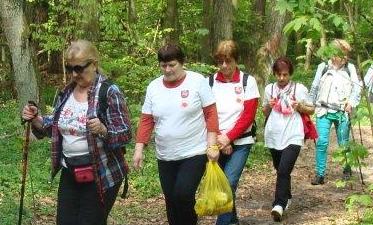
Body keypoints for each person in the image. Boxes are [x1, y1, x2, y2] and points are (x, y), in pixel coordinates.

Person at [21, 39, 131, 225]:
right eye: (70, 68)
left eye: (79, 68)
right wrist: (36, 118)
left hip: (101, 172)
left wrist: (104, 130)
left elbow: (125, 133)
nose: (74, 74)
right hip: (70, 172)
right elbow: (54, 126)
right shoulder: (67, 92)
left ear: (94, 64)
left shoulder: (109, 91)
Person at [133, 43, 219, 225]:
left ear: (182, 62)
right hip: (165, 155)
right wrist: (139, 149)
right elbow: (147, 120)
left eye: (172, 65)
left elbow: (210, 113)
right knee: (171, 200)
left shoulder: (197, 81)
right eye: (163, 66)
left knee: (183, 194)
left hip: (194, 152)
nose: (167, 70)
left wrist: (212, 145)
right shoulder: (154, 87)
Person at [208, 40, 260, 225]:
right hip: (216, 139)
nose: (224, 66)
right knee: (223, 185)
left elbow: (248, 115)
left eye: (228, 61)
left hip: (241, 142)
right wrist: (220, 139)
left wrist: (229, 138)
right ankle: (232, 219)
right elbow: (207, 112)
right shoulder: (210, 82)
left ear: (236, 60)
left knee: (228, 183)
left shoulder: (248, 81)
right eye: (220, 61)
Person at [263, 57, 313, 222]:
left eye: (285, 74)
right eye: (278, 74)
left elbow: (311, 109)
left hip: (293, 134)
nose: (281, 78)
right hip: (274, 134)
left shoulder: (299, 89)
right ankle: (287, 196)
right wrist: (268, 106)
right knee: (280, 169)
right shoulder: (269, 88)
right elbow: (265, 112)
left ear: (290, 74)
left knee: (284, 170)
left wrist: (300, 106)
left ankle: (279, 205)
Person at [309, 39, 361, 185]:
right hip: (323, 110)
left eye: (341, 52)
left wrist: (351, 103)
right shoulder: (323, 67)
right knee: (322, 142)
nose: (336, 55)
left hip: (342, 111)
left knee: (343, 143)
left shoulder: (350, 69)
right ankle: (319, 174)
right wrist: (310, 104)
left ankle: (346, 169)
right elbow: (314, 86)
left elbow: (357, 88)